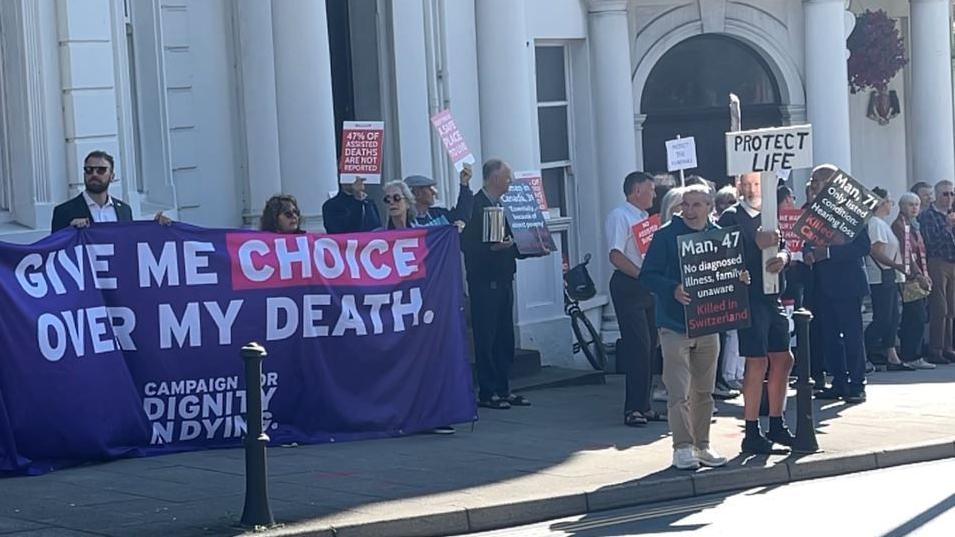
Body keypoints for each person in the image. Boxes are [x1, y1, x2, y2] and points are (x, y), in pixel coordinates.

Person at [640, 184, 728, 469]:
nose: (689, 211)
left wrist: (739, 278)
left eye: (696, 205)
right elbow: (648, 276)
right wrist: (673, 289)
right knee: (678, 391)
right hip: (674, 324)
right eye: (685, 205)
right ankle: (682, 447)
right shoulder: (665, 236)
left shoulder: (719, 236)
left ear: (709, 207)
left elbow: (726, 272)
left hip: (709, 322)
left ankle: (702, 445)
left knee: (704, 391)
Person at [717, 172, 794, 453]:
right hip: (749, 298)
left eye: (757, 184)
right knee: (757, 361)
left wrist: (783, 258)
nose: (751, 189)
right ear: (739, 186)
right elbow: (722, 257)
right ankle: (751, 430)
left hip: (773, 295)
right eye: (746, 184)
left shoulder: (769, 214)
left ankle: (776, 421)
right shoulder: (731, 217)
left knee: (783, 358)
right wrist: (754, 248)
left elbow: (783, 247)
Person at [461, 159, 544, 410]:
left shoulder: (506, 206)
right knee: (487, 337)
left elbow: (514, 241)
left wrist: (535, 246)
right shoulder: (475, 205)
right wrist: (492, 249)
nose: (510, 182)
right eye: (507, 177)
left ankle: (503, 387)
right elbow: (466, 244)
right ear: (493, 178)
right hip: (484, 280)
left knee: (504, 337)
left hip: (505, 278)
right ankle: (487, 391)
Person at [807, 165, 871, 404]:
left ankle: (857, 384)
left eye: (818, 181)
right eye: (813, 181)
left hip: (847, 283)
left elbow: (863, 247)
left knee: (852, 335)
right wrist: (808, 253)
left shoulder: (852, 212)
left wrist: (829, 254)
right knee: (830, 336)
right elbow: (805, 240)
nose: (814, 185)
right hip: (822, 284)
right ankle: (839, 382)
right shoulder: (814, 212)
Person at [605, 171, 665, 426]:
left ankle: (645, 404)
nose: (654, 193)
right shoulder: (620, 216)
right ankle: (632, 409)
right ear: (636, 190)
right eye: (650, 189)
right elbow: (616, 255)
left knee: (650, 345)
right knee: (637, 346)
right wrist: (642, 275)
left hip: (646, 286)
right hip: (629, 284)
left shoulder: (645, 219)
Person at [51, 150, 170, 232]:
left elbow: (131, 241)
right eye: (89, 169)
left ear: (112, 176)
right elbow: (55, 252)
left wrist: (156, 228)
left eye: (101, 170)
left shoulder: (124, 210)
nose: (94, 174)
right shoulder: (63, 212)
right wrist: (69, 230)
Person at [864, 188, 907, 370]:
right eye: (890, 201)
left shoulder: (882, 223)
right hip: (881, 276)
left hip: (889, 275)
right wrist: (896, 265)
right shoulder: (875, 223)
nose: (892, 204)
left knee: (893, 317)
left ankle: (891, 355)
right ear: (881, 202)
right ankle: (866, 349)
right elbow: (876, 251)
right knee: (883, 318)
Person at [892, 192, 936, 370]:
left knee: (918, 315)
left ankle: (913, 353)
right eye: (911, 204)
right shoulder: (900, 226)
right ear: (902, 206)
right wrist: (919, 275)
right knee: (914, 317)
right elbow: (906, 253)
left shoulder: (914, 225)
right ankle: (911, 355)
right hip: (909, 278)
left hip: (918, 274)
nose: (915, 208)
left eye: (917, 204)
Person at [917, 180, 955, 364]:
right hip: (937, 262)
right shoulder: (928, 216)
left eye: (952, 194)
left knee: (951, 308)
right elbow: (930, 243)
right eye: (945, 194)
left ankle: (948, 347)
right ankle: (936, 349)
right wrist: (947, 227)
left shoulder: (950, 214)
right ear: (937, 195)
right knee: (940, 308)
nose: (949, 198)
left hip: (952, 261)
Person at [406, 165, 474, 229]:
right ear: (417, 193)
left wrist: (464, 184)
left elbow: (461, 216)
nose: (434, 193)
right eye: (430, 189)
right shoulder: (406, 222)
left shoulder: (439, 214)